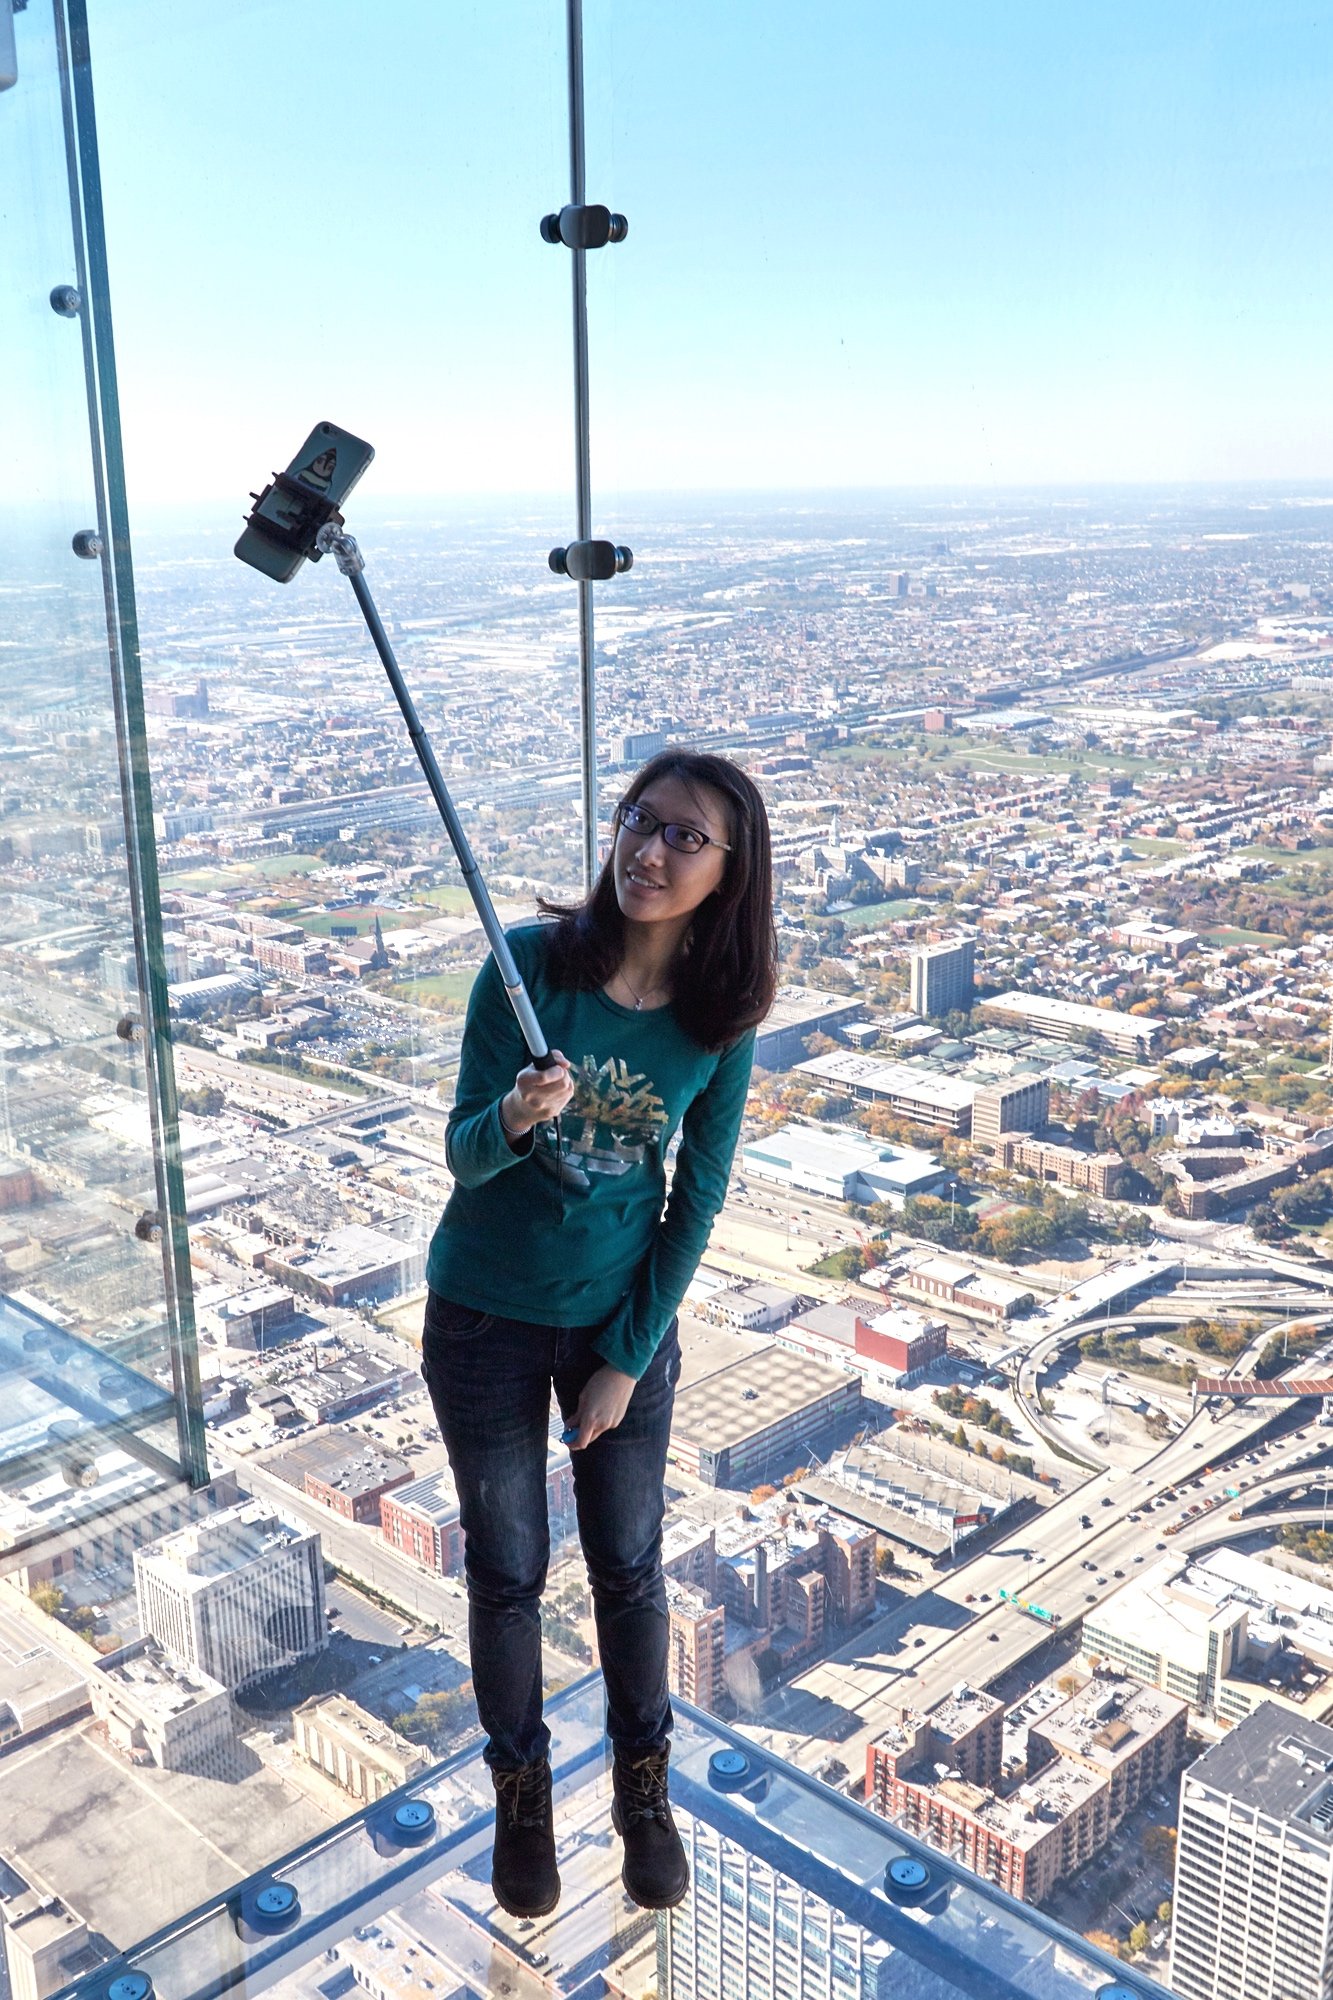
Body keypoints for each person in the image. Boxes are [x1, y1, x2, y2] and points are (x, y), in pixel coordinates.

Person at [420, 749, 776, 1920]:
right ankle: (521, 1796)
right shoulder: (526, 971)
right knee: (507, 1568)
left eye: (684, 837)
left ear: (728, 873)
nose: (649, 848)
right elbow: (463, 1156)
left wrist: (627, 1356)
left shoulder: (718, 1022)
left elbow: (696, 1199)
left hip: (619, 1324)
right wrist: (517, 1114)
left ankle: (642, 1789)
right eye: (639, 820)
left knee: (626, 1562)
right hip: (483, 1315)